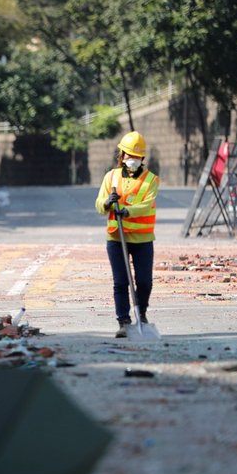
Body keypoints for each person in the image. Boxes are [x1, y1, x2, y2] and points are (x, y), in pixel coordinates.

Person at [95, 131, 159, 338]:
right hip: (116, 237)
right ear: (122, 155)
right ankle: (123, 321)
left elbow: (147, 204)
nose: (132, 160)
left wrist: (127, 210)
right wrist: (107, 202)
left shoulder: (151, 180)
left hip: (142, 239)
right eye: (129, 155)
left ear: (142, 158)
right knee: (121, 282)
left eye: (136, 156)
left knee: (144, 281)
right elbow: (99, 204)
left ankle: (142, 313)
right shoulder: (110, 177)